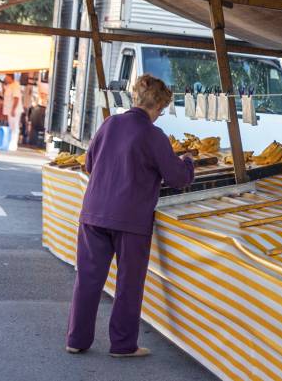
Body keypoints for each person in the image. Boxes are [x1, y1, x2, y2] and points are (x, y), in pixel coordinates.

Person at [66, 74, 195, 358]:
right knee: (128, 283)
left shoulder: (111, 123)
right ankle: (123, 344)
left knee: (87, 279)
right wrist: (188, 162)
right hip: (131, 219)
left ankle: (76, 339)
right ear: (158, 106)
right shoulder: (153, 135)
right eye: (161, 110)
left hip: (94, 212)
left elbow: (89, 163)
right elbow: (177, 178)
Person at [1, 73, 23, 151]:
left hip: (15, 110)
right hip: (9, 110)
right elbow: (4, 95)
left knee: (15, 127)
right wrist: (2, 85)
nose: (6, 79)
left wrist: (13, 109)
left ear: (11, 78)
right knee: (11, 127)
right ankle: (10, 143)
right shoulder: (9, 85)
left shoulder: (15, 85)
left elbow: (16, 98)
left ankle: (14, 144)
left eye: (7, 78)